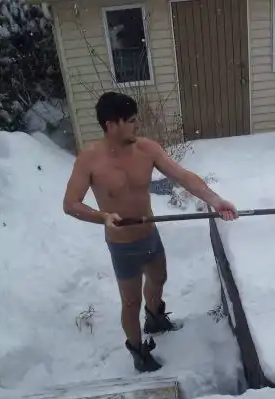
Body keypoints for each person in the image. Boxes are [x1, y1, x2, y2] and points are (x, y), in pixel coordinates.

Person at [63, 91, 238, 373]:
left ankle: (155, 319)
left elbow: (182, 176)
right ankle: (138, 351)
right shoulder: (90, 160)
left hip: (149, 236)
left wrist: (215, 200)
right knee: (131, 302)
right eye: (131, 120)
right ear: (111, 125)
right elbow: (70, 204)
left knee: (159, 279)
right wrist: (102, 217)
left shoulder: (147, 149)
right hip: (122, 246)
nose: (138, 125)